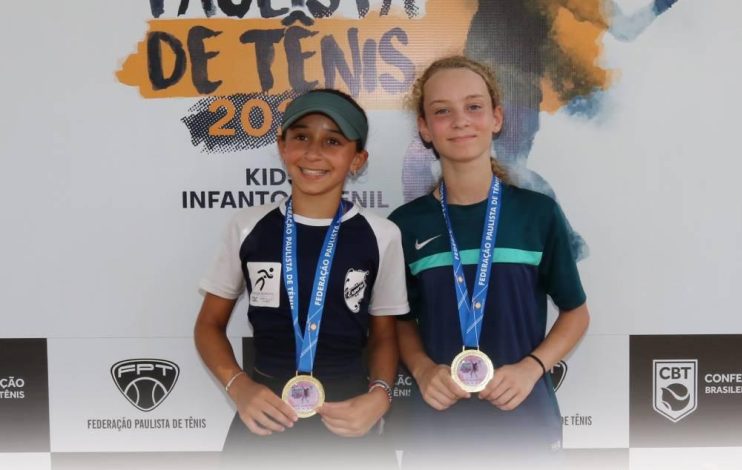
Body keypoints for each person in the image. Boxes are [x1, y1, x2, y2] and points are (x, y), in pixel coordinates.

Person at [388, 56, 590, 468]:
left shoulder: (537, 213)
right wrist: (423, 370)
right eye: (442, 111)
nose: (460, 120)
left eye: (474, 106)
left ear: (496, 118)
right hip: (437, 428)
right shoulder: (406, 224)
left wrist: (532, 368)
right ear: (425, 128)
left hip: (525, 424)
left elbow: (576, 313)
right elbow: (400, 321)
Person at [194, 89, 409, 469]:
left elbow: (385, 336)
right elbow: (208, 326)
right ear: (282, 146)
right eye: (301, 137)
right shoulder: (248, 226)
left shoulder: (382, 235)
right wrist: (239, 388)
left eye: (333, 141)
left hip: (350, 420)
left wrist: (380, 395)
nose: (313, 153)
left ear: (357, 159)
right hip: (263, 419)